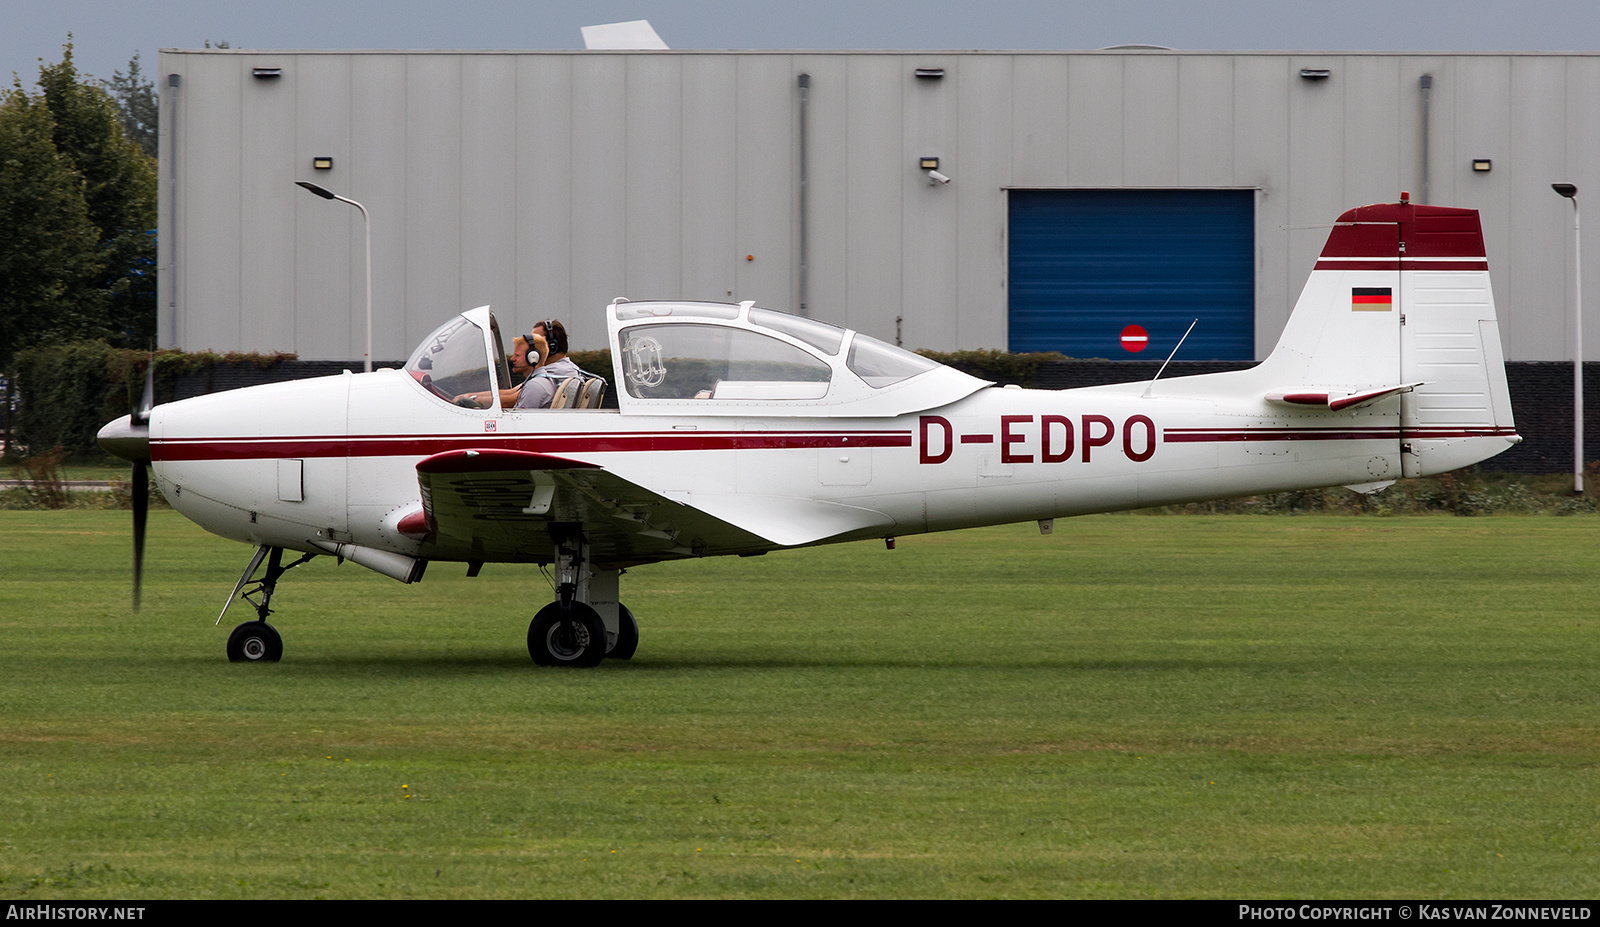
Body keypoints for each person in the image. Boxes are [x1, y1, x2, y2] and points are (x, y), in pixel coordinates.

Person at [514, 319, 582, 410]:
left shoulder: (556, 372)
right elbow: (515, 391)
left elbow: (513, 398)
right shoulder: (564, 368)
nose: (531, 347)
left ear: (551, 346)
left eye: (538, 341)